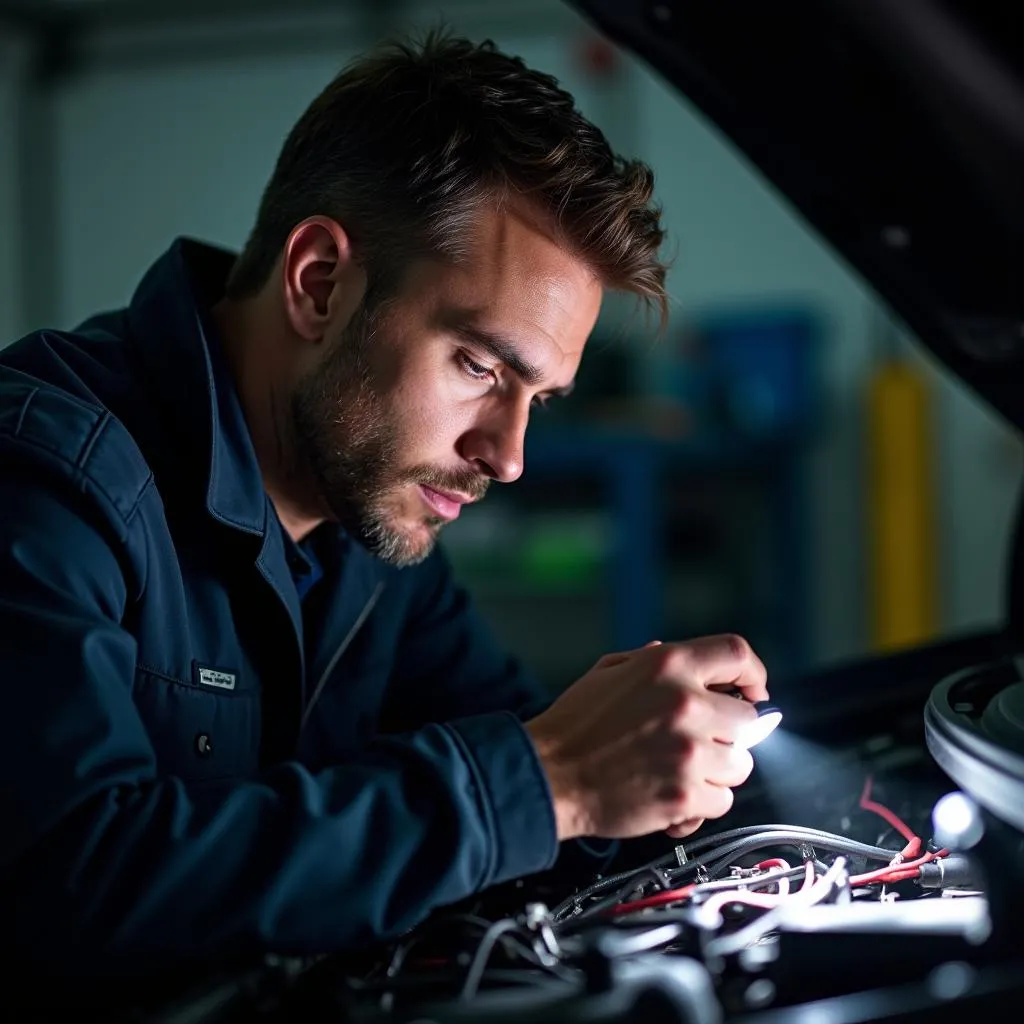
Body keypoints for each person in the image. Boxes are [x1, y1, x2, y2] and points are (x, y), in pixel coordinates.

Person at [0, 31, 768, 983]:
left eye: (541, 401)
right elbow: (66, 883)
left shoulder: (371, 535)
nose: (511, 455)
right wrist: (555, 781)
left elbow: (524, 772)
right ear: (320, 283)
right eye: (481, 367)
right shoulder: (46, 479)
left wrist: (642, 770)